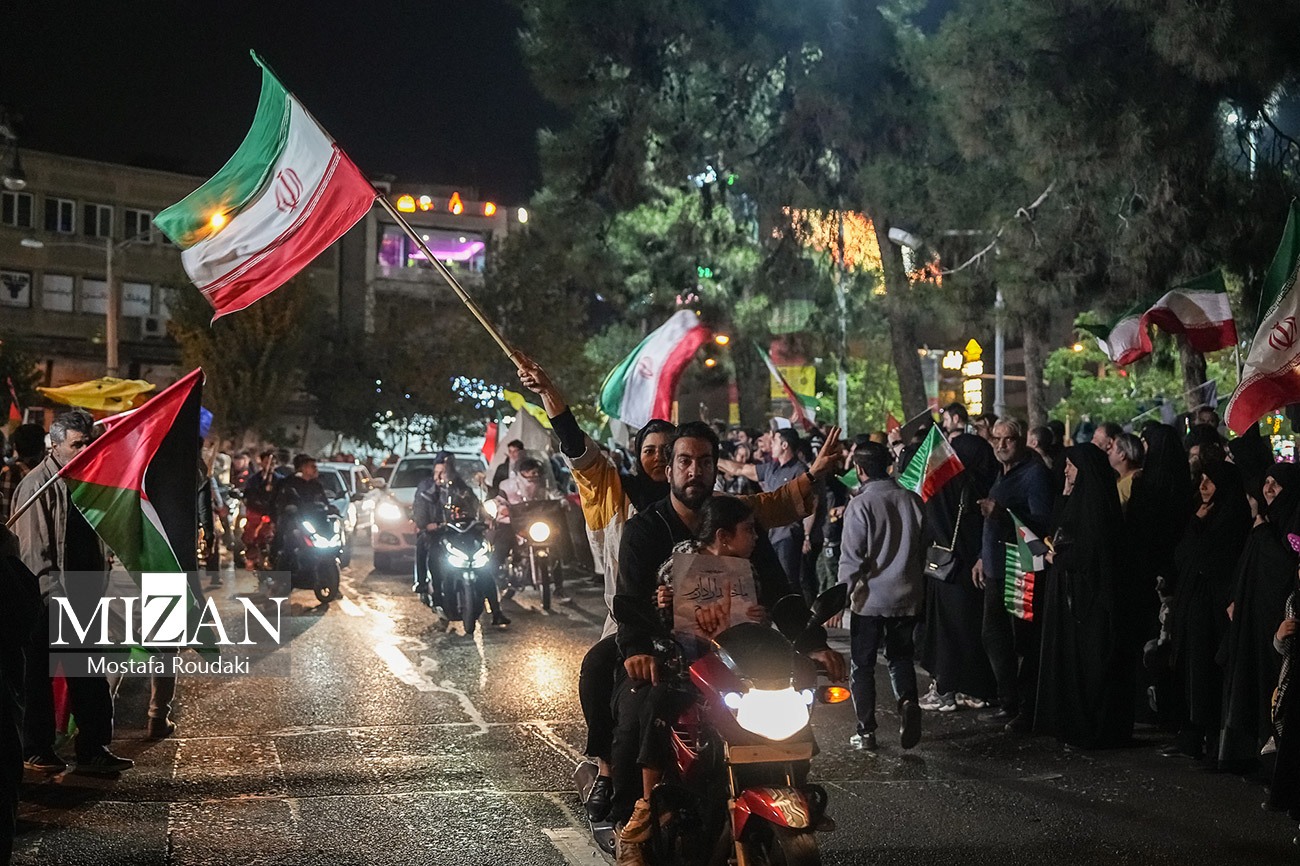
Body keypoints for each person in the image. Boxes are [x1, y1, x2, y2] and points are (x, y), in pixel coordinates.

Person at [611, 422, 846, 865]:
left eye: (704, 462)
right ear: (668, 468)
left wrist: (813, 644)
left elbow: (782, 593)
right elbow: (630, 600)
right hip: (671, 656)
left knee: (795, 706)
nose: (694, 471)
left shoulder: (739, 521)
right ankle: (637, 819)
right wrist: (638, 647)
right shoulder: (644, 529)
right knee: (638, 710)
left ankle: (793, 785)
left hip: (741, 660)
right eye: (685, 461)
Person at [13, 410, 132, 775]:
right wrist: (49, 599)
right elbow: (35, 552)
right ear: (55, 445)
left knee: (89, 674)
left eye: (88, 443)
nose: (84, 450)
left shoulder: (85, 482)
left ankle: (93, 747)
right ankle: (37, 749)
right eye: (77, 444)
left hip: (84, 594)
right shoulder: (37, 485)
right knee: (38, 677)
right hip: (50, 598)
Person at [1035, 443, 1132, 748]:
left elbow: (1092, 550)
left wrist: (1059, 559)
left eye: (1071, 465)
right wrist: (1065, 494)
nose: (1065, 470)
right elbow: (1058, 530)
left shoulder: (1097, 505)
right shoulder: (1078, 498)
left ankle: (1092, 729)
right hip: (1070, 596)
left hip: (1088, 600)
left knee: (1090, 663)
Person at [835, 441, 927, 751]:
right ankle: (908, 702)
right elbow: (922, 548)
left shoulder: (860, 505)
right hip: (907, 595)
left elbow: (851, 559)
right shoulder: (912, 500)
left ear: (859, 469)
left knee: (862, 665)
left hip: (870, 600)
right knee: (900, 657)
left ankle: (866, 731)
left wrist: (839, 597)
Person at [1165, 459, 1251, 758]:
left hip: (1214, 609)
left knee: (1207, 672)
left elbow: (1207, 558)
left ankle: (1213, 741)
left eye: (1210, 480)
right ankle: (1193, 734)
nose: (1202, 486)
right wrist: (1196, 523)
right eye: (1201, 478)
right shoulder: (1203, 516)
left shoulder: (1233, 519)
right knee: (1192, 669)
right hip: (1195, 604)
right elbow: (1182, 557)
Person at [1218, 463, 1300, 771]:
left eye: (1276, 483)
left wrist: (1263, 534)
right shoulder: (1268, 520)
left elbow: (1285, 569)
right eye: (1266, 481)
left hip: (1280, 623)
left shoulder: (1284, 521)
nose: (1268, 488)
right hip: (1259, 620)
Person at [975, 418, 1054, 732]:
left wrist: (1003, 515)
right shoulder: (1003, 472)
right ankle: (1009, 700)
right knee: (994, 636)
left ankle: (1024, 705)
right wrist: (982, 557)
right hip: (996, 567)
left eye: (1007, 439)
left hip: (1020, 568)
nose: (1001, 445)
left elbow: (1042, 523)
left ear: (1022, 441)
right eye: (996, 439)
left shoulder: (1034, 475)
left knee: (1021, 641)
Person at [918, 424, 999, 713]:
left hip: (946, 568)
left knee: (948, 632)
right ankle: (976, 689)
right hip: (977, 566)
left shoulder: (943, 484)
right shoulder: (987, 484)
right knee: (973, 629)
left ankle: (945, 689)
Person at [718, 427, 811, 593]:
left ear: (784, 445)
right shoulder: (771, 468)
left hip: (788, 535)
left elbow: (811, 504)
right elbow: (739, 469)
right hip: (770, 534)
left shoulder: (799, 470)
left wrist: (807, 535)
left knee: (790, 581)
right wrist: (711, 458)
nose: (771, 444)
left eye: (774, 441)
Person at [0, 424, 43, 525]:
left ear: (15, 446)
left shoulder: (9, 472)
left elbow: (6, 515)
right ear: (43, 447)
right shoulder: (48, 473)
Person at [1110, 432, 1144, 513]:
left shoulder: (1124, 486)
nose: (1109, 452)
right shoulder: (1143, 475)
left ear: (1122, 455)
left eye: (1112, 449)